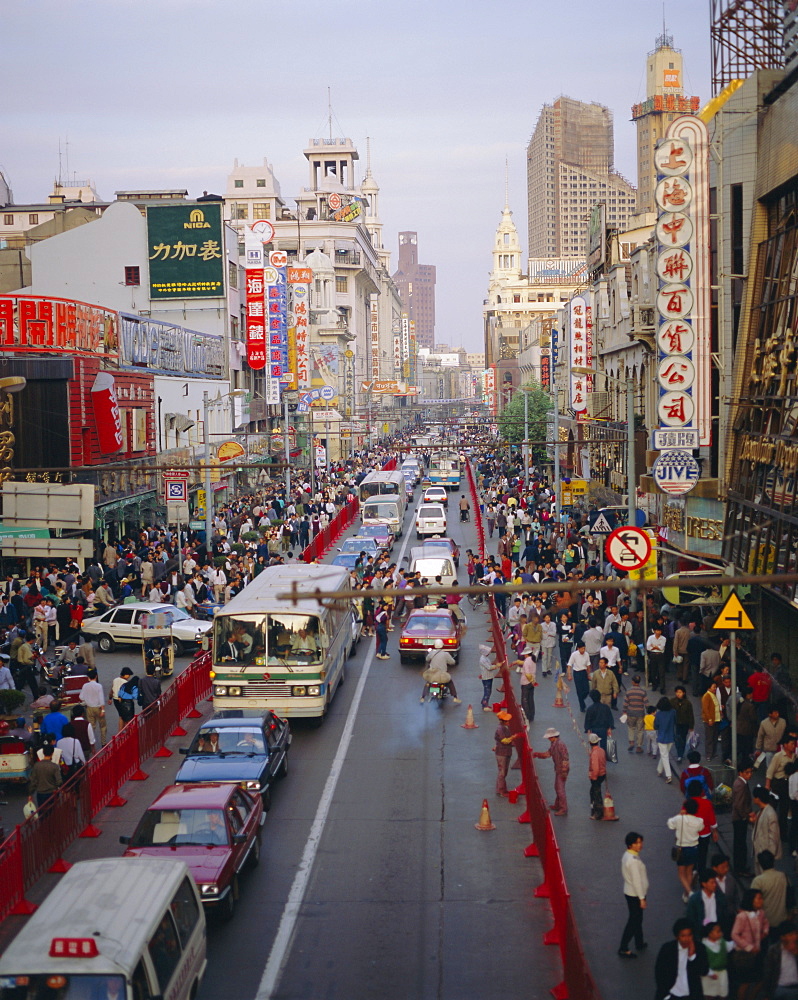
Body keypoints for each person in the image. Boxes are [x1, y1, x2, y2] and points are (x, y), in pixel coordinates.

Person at [654, 917, 709, 1000]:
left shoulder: (700, 948)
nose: (687, 939)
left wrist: (692, 956)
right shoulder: (667, 949)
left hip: (692, 995)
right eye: (683, 936)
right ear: (677, 937)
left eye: (689, 935)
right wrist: (666, 995)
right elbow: (659, 972)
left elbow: (704, 971)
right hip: (671, 994)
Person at [731, 889, 769, 998]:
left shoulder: (761, 913)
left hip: (757, 952)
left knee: (760, 979)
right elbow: (734, 934)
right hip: (745, 954)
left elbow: (766, 923)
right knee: (745, 982)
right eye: (759, 898)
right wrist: (748, 947)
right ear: (751, 900)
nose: (761, 901)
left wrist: (765, 932)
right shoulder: (742, 916)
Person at [618, 831, 648, 959]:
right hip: (635, 894)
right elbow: (636, 880)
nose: (640, 845)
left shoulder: (628, 855)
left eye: (640, 842)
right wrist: (641, 898)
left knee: (637, 919)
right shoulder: (634, 860)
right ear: (630, 845)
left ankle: (639, 942)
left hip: (630, 892)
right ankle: (623, 947)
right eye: (636, 843)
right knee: (634, 921)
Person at [668, 798, 705, 900]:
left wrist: (680, 814)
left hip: (682, 849)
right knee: (689, 871)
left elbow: (670, 824)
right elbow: (701, 828)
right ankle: (686, 894)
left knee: (681, 873)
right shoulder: (699, 821)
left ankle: (690, 892)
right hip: (694, 848)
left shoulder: (680, 819)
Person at [686, 869, 733, 941]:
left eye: (715, 882)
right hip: (702, 931)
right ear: (704, 884)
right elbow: (691, 919)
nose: (715, 885)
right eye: (712, 883)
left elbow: (726, 915)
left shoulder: (720, 897)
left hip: (717, 929)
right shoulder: (694, 900)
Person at [533, 727, 570, 816]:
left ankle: (563, 808)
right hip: (559, 768)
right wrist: (538, 754)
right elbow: (548, 754)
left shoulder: (560, 744)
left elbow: (565, 758)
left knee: (560, 789)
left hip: (561, 769)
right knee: (557, 787)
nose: (548, 739)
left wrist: (564, 771)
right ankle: (558, 805)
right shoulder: (554, 744)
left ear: (553, 737)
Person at [752, 849, 790, 930]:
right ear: (773, 861)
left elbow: (752, 903)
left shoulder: (758, 881)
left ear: (760, 864)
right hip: (782, 920)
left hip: (765, 921)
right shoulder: (783, 876)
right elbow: (790, 897)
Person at [761, 920, 798, 999]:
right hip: (778, 989)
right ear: (782, 937)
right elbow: (768, 972)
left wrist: (795, 953)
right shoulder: (774, 950)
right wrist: (766, 995)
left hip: (795, 989)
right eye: (791, 934)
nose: (795, 937)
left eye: (795, 933)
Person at [752, 785, 782, 874]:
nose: (753, 799)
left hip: (765, 855)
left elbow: (774, 837)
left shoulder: (770, 814)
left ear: (758, 799)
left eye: (755, 797)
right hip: (760, 852)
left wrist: (769, 857)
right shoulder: (761, 811)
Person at [699, 921, 733, 1000]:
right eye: (718, 931)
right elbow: (702, 962)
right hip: (709, 975)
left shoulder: (723, 943)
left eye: (720, 931)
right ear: (709, 933)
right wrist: (709, 972)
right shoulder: (703, 946)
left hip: (722, 973)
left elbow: (731, 946)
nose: (720, 933)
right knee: (709, 994)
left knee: (723, 993)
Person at [732, 759, 755, 875]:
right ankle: (739, 868)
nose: (749, 774)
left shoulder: (741, 783)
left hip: (739, 818)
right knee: (740, 845)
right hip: (739, 819)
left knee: (740, 844)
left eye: (751, 772)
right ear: (740, 772)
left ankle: (740, 867)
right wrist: (747, 816)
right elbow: (739, 805)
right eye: (747, 772)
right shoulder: (741, 785)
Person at [27, 742, 62, 808]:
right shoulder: (54, 766)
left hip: (40, 793)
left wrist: (30, 794)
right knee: (53, 812)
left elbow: (33, 781)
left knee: (42, 812)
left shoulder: (37, 765)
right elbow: (59, 781)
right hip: (52, 793)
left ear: (43, 753)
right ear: (52, 753)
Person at [79, 668, 107, 747]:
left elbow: (81, 697)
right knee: (102, 726)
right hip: (98, 708)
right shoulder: (98, 686)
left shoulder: (85, 686)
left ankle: (92, 743)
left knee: (91, 726)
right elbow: (101, 698)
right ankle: (103, 743)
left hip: (89, 708)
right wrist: (103, 710)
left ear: (88, 677)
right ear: (96, 676)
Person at [493, 710, 517, 796]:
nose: (509, 722)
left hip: (505, 752)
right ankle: (501, 790)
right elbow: (504, 741)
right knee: (502, 772)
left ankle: (501, 789)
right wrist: (513, 738)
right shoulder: (501, 729)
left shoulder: (504, 728)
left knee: (504, 771)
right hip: (502, 753)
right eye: (507, 720)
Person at [654, 695, 677, 783]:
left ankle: (668, 775)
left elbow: (656, 725)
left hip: (662, 737)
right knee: (665, 755)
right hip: (671, 736)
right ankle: (659, 770)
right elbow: (675, 721)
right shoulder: (673, 712)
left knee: (664, 756)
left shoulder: (659, 714)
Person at [623, 674, 647, 753]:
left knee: (631, 728)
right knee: (640, 730)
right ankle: (639, 746)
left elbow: (626, 703)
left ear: (632, 682)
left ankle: (631, 742)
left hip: (631, 713)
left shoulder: (628, 691)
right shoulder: (643, 692)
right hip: (640, 713)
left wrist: (624, 711)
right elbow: (646, 703)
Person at [585, 689, 613, 755]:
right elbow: (609, 718)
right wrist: (609, 728)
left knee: (594, 745)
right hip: (603, 729)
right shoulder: (606, 707)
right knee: (603, 746)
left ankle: (595, 756)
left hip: (594, 729)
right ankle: (603, 756)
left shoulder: (590, 709)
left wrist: (588, 730)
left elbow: (588, 720)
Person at [671, 685, 696, 762]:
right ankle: (679, 754)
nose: (678, 694)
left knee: (683, 738)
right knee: (677, 739)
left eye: (680, 692)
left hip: (685, 724)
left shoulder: (687, 703)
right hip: (676, 723)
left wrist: (691, 726)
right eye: (677, 692)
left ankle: (681, 754)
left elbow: (690, 715)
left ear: (684, 693)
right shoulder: (672, 701)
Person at [567, 639, 591, 713]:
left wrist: (588, 674)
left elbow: (588, 665)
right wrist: (569, 674)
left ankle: (582, 698)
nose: (583, 650)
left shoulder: (586, 654)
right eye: (582, 648)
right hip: (577, 673)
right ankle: (582, 706)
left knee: (587, 689)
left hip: (584, 672)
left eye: (584, 648)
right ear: (578, 648)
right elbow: (569, 665)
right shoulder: (574, 654)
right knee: (579, 690)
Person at [702, 679, 723, 762]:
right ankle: (709, 754)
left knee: (714, 737)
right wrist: (709, 719)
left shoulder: (713, 695)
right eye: (713, 687)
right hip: (710, 720)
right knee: (709, 738)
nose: (715, 688)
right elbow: (705, 709)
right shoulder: (706, 696)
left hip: (716, 719)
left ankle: (713, 753)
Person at [588, 732, 607, 820]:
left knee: (596, 794)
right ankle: (596, 811)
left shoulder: (594, 753)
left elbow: (595, 767)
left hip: (597, 775)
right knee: (594, 792)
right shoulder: (601, 750)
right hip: (602, 774)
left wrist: (593, 777)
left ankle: (598, 813)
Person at [516, 645, 537, 723]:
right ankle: (531, 715)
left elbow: (527, 674)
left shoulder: (527, 662)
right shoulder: (533, 659)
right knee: (530, 699)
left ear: (526, 654)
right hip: (532, 682)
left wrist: (530, 680)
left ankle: (526, 716)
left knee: (524, 700)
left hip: (526, 682)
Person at [646, 626, 667, 694]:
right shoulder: (650, 637)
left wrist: (654, 646)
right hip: (653, 655)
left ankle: (662, 688)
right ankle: (654, 685)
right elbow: (648, 647)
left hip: (660, 655)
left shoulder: (663, 638)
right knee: (653, 671)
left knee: (661, 672)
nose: (658, 632)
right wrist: (657, 647)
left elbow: (661, 648)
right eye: (657, 630)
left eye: (659, 631)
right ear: (654, 631)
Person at [478, 643, 498, 712]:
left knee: (488, 691)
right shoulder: (483, 659)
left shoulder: (485, 658)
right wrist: (496, 666)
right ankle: (484, 704)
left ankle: (484, 701)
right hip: (487, 678)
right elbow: (489, 667)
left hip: (488, 676)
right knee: (487, 691)